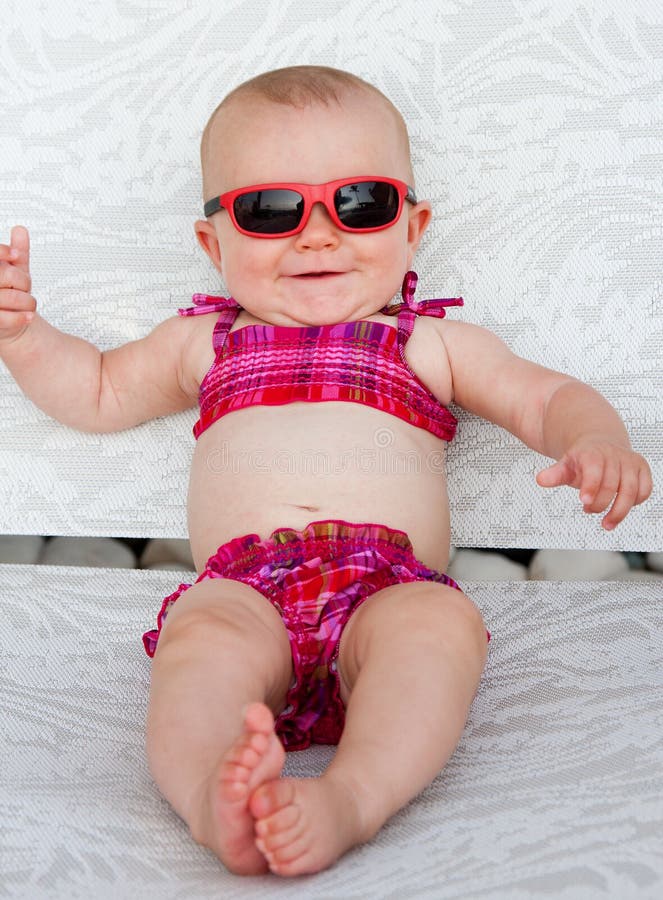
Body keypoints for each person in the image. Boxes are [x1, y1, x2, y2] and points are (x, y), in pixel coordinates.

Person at [0, 65, 652, 878]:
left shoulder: (429, 343)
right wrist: (27, 340)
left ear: (412, 227)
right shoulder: (203, 342)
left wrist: (593, 439)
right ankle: (213, 800)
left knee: (436, 630)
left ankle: (351, 797)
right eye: (269, 211)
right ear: (214, 243)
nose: (318, 234)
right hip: (246, 591)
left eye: (360, 204)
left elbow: (545, 395)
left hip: (388, 590)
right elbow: (95, 390)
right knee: (197, 640)